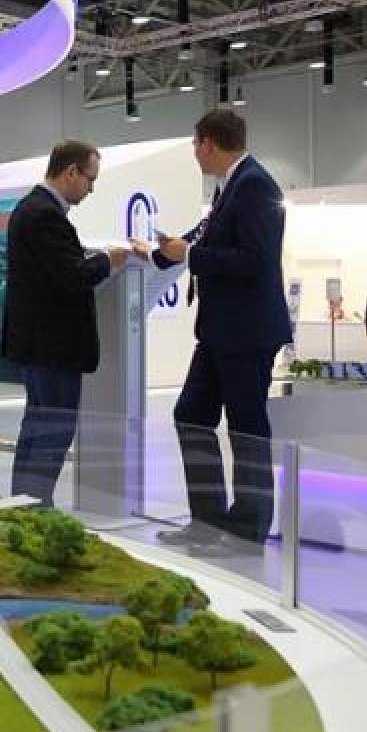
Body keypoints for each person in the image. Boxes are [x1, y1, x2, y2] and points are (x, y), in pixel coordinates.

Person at [136, 110, 290, 551]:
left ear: (207, 143)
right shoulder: (231, 185)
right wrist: (162, 253)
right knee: (191, 414)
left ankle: (247, 530)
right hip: (221, 331)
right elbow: (205, 240)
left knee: (246, 429)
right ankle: (208, 523)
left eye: (195, 145)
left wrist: (188, 255)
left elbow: (254, 261)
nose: (194, 154)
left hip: (247, 332)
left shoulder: (255, 185)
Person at [0, 141, 128, 507]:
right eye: (90, 179)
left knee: (38, 427)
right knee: (53, 430)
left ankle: (24, 505)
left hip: (39, 344)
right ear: (71, 172)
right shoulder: (44, 215)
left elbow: (55, 268)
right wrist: (108, 260)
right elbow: (72, 276)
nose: (91, 188)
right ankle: (35, 506)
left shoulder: (31, 209)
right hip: (52, 346)